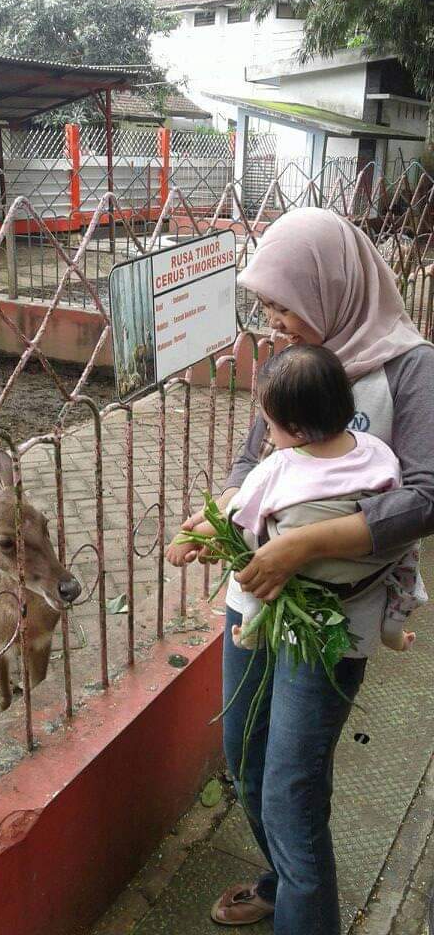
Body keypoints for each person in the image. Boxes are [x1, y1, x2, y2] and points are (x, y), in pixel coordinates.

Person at [166, 208, 434, 934]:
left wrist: (300, 548)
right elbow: (257, 458)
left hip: (331, 617)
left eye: (285, 303)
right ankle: (285, 881)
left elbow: (425, 495)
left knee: (290, 784)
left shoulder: (411, 367)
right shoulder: (294, 361)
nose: (273, 319)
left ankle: (304, 913)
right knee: (245, 756)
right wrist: (219, 520)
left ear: (333, 288)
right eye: (266, 305)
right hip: (255, 602)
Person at [168, 343, 421, 655]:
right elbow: (396, 494)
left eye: (270, 426)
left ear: (297, 430)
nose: (269, 437)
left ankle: (251, 622)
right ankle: (393, 628)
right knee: (409, 552)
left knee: (249, 549)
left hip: (306, 576)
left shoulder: (278, 466)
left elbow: (233, 516)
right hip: (367, 573)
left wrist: (187, 538)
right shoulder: (376, 448)